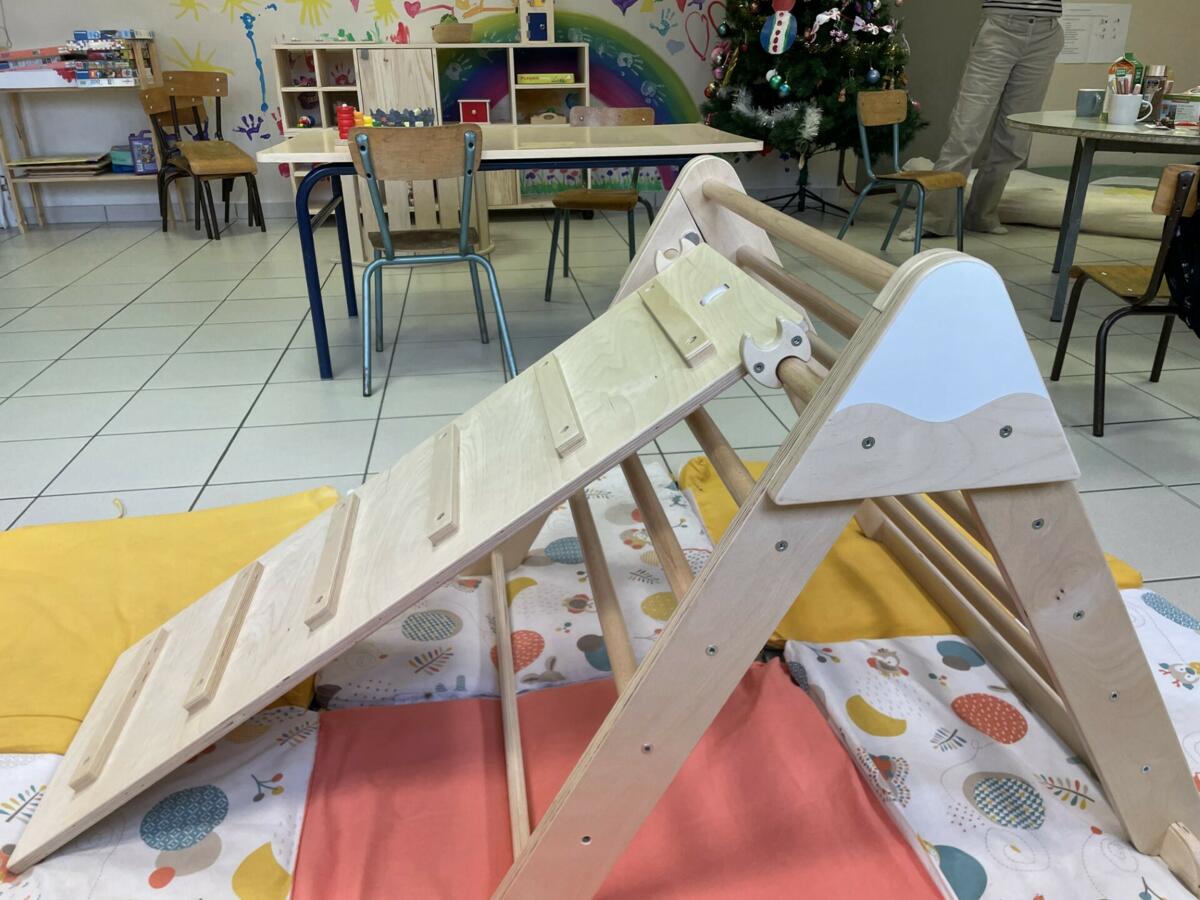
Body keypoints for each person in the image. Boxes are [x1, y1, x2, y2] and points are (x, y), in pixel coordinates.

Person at [901, 0, 1064, 239]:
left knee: (1016, 137)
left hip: (1046, 33)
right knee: (965, 132)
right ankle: (933, 219)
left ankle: (981, 214)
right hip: (1000, 27)